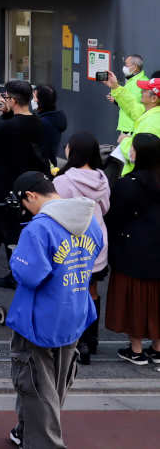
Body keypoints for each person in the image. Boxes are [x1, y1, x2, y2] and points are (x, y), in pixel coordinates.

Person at [5, 170, 104, 449]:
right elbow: (94, 257)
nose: (25, 210)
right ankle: (25, 431)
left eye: (24, 203)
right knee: (57, 383)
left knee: (36, 386)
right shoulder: (90, 222)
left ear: (31, 196)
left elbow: (29, 275)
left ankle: (45, 442)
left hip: (39, 318)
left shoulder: (39, 228)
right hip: (73, 309)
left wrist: (16, 258)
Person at [54, 132, 110, 364]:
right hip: (97, 243)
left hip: (72, 247)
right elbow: (105, 208)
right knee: (92, 291)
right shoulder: (101, 178)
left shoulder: (63, 181)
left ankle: (76, 342)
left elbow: (55, 211)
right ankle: (92, 340)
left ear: (72, 151)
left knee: (70, 291)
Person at [105, 132, 160, 368]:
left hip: (132, 250)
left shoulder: (127, 184)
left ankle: (136, 350)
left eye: (133, 148)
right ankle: (158, 349)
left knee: (134, 300)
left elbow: (114, 218)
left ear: (139, 154)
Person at [0, 80, 48, 201]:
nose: (4, 99)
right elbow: (14, 130)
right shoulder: (38, 122)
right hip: (30, 183)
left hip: (6, 186)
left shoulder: (8, 127)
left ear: (13, 101)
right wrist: (8, 113)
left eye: (6, 97)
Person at [106, 72, 160, 175]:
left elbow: (140, 153)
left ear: (154, 99)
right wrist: (116, 87)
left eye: (145, 90)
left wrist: (125, 140)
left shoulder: (151, 123)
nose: (141, 91)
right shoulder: (152, 113)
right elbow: (132, 106)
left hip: (139, 177)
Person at [107, 54, 147, 144]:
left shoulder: (138, 83)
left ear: (135, 67)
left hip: (131, 129)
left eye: (126, 65)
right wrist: (116, 101)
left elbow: (133, 107)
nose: (124, 67)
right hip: (129, 128)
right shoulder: (134, 80)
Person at [34, 85, 67, 166]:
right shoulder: (55, 117)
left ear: (41, 101)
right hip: (51, 163)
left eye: (34, 97)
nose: (33, 100)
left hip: (40, 167)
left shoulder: (43, 122)